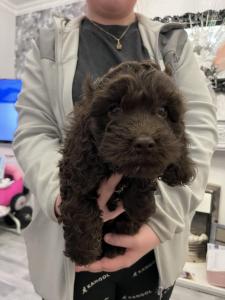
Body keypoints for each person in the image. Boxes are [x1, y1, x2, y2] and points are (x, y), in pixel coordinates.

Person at [13, 1, 218, 300]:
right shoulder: (47, 44)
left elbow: (196, 129)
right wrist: (65, 199)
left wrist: (160, 225)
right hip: (73, 236)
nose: (144, 134)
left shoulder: (172, 41)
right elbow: (33, 132)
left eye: (159, 112)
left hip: (153, 245)